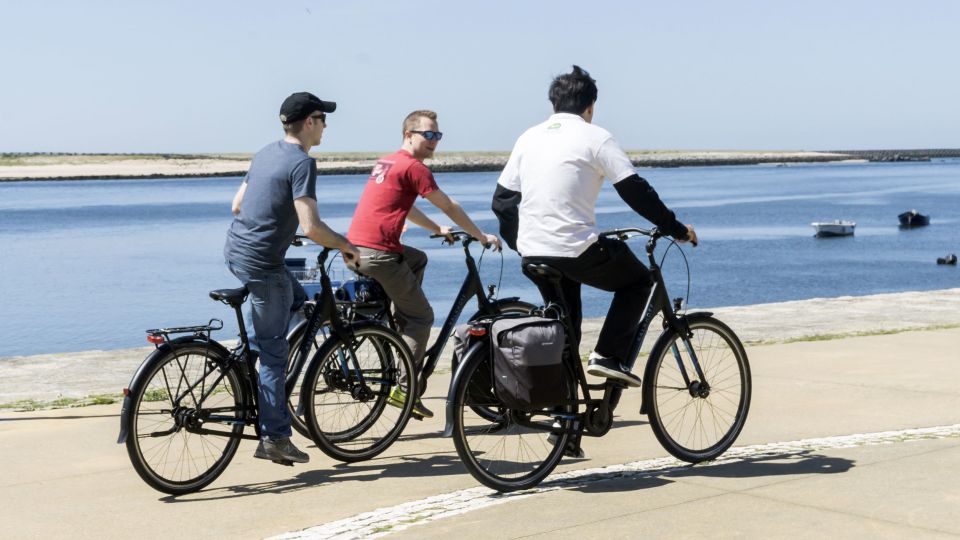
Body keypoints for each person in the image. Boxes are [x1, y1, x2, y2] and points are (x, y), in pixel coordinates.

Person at [492, 66, 697, 387]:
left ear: (553, 105)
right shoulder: (596, 137)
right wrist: (675, 228)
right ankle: (608, 355)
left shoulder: (528, 138)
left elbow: (502, 203)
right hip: (575, 249)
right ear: (590, 107)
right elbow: (635, 190)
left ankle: (566, 421)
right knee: (639, 283)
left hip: (533, 254)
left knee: (566, 329)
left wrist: (524, 244)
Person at [225, 91, 360, 464]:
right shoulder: (302, 163)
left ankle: (243, 357)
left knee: (297, 299)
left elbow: (238, 205)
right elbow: (312, 226)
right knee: (274, 353)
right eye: (323, 118)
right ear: (309, 122)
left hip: (236, 252)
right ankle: (275, 437)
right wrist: (346, 245)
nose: (327, 125)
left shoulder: (266, 152)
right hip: (264, 262)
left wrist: (279, 227)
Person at [347, 109, 501, 419]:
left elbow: (405, 206)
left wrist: (436, 229)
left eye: (438, 136)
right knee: (422, 317)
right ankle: (406, 388)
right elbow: (448, 204)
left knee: (418, 258)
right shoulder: (415, 168)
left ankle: (396, 321)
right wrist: (479, 235)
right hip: (380, 255)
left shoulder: (388, 161)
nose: (434, 141)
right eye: (428, 135)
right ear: (409, 135)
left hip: (355, 250)